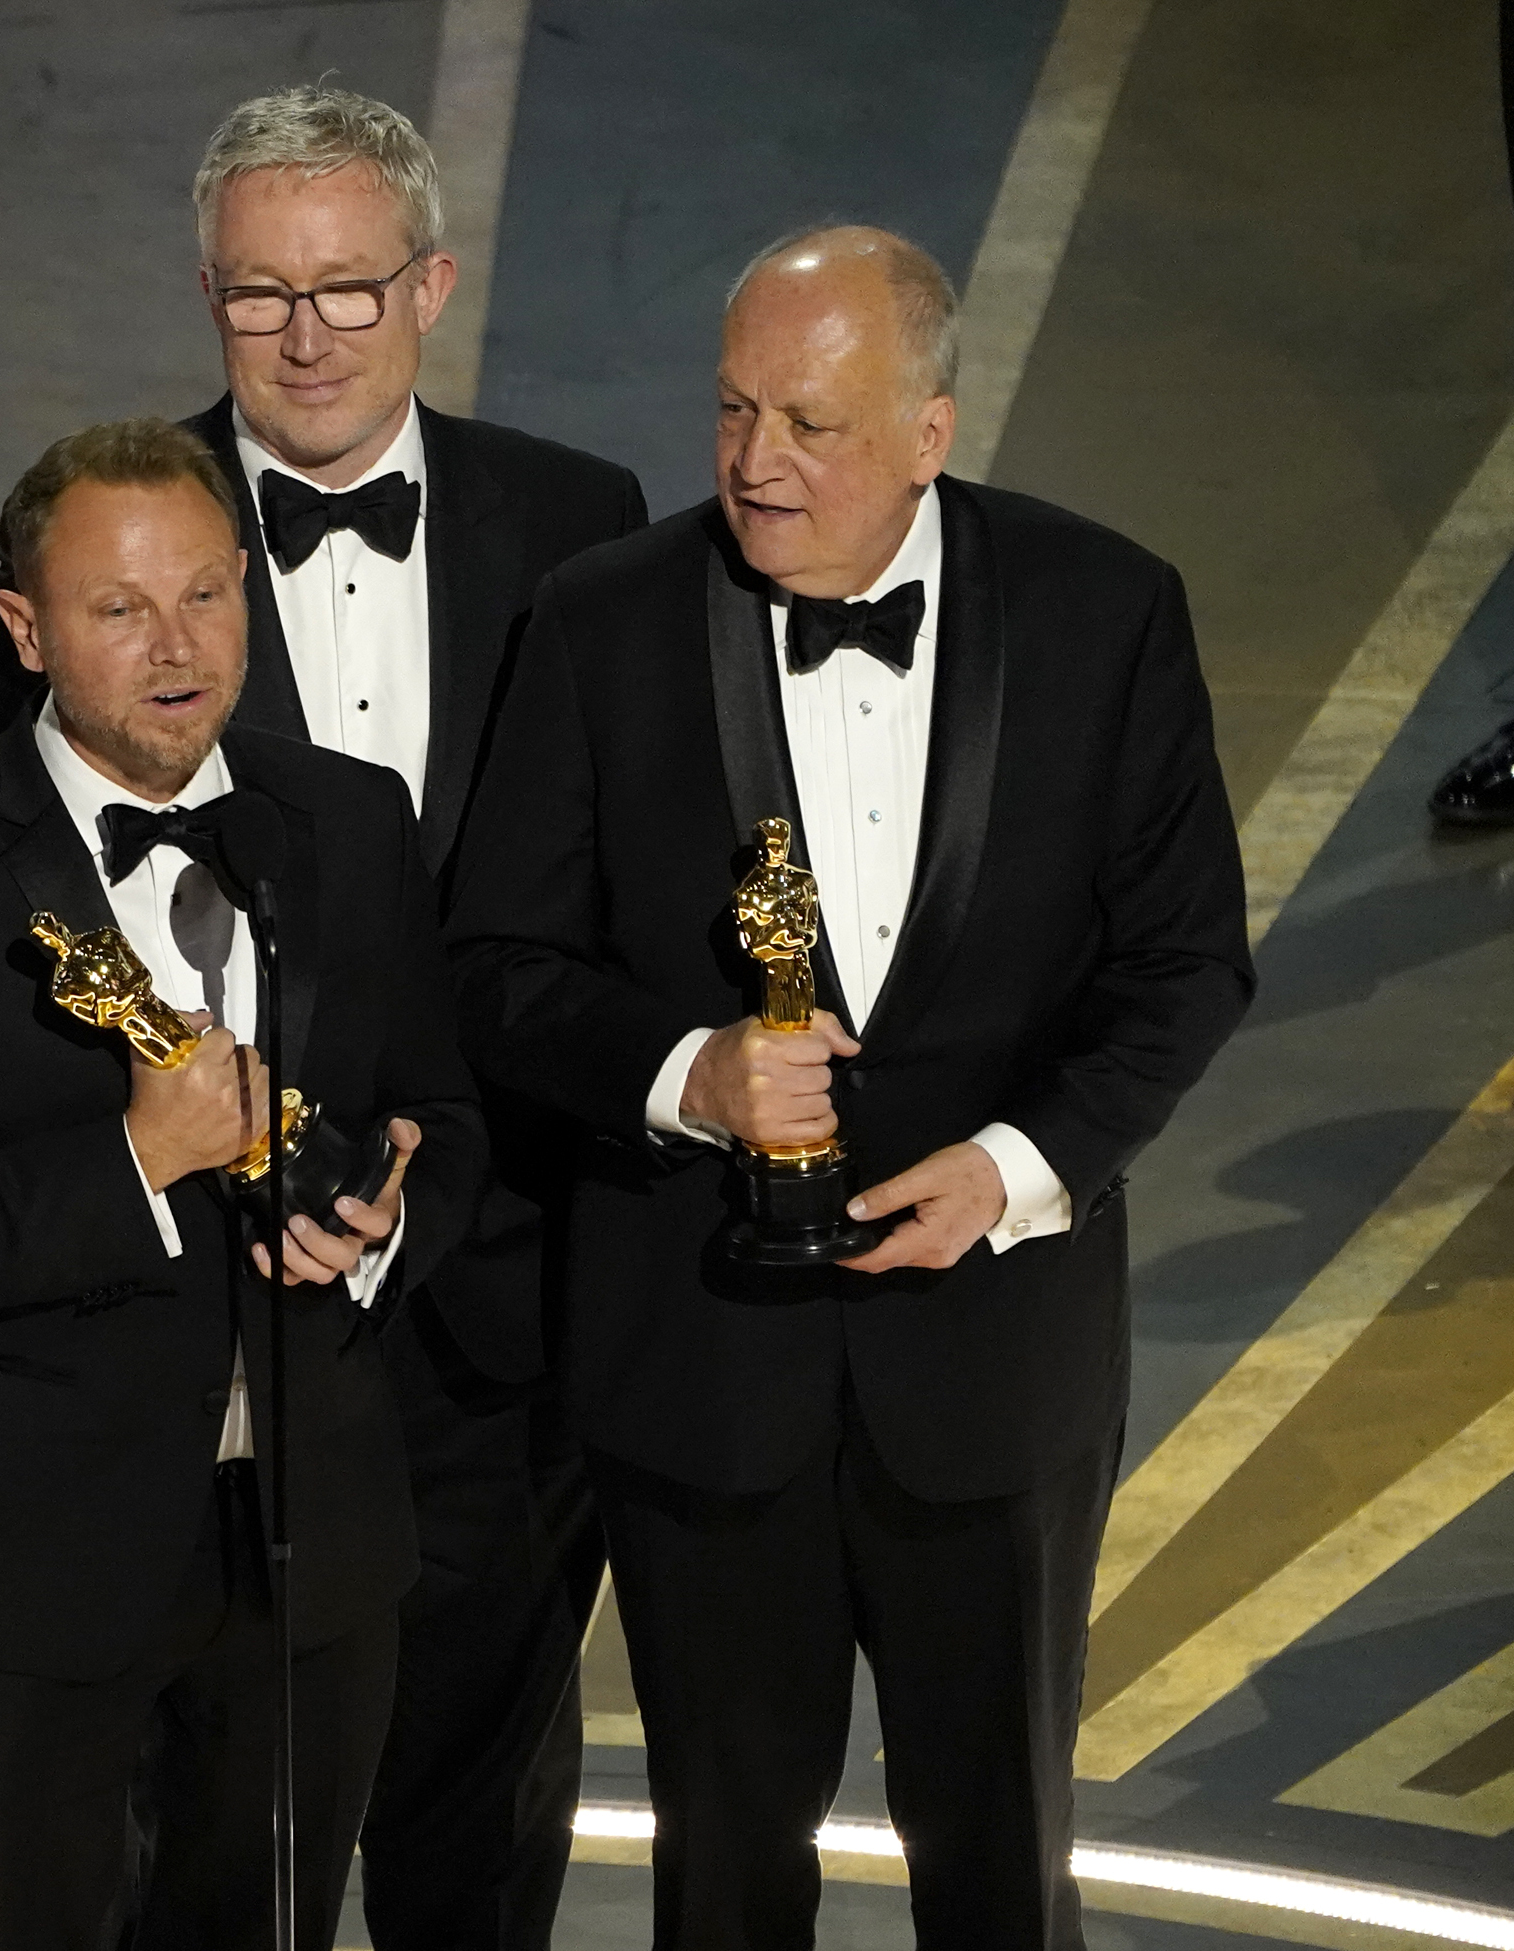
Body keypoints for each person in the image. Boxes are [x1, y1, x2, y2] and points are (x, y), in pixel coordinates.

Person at [445, 226, 1252, 1947]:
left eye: (810, 422)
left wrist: (1020, 1168)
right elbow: (502, 967)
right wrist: (688, 1074)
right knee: (723, 1873)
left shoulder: (1108, 612)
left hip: (996, 1366)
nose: (754, 462)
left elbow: (1184, 964)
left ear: (931, 431)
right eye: (735, 410)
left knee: (1000, 1870)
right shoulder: (603, 622)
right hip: (700, 1374)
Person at [0, 85, 648, 1946]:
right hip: (205, 1294)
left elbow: (617, 896)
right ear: (210, 299)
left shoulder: (585, 528)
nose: (309, 334)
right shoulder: (100, 536)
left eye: (349, 289)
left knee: (478, 1806)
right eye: (262, 295)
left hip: (495, 1285)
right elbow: (25, 909)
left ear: (431, 284)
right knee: (200, 1827)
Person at [0, 418, 485, 1949]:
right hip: (42, 1565)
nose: (178, 649)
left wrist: (391, 1219)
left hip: (315, 1549)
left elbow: (443, 1107)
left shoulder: (349, 821)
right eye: (119, 610)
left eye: (208, 596)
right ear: (29, 630)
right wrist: (135, 1160)